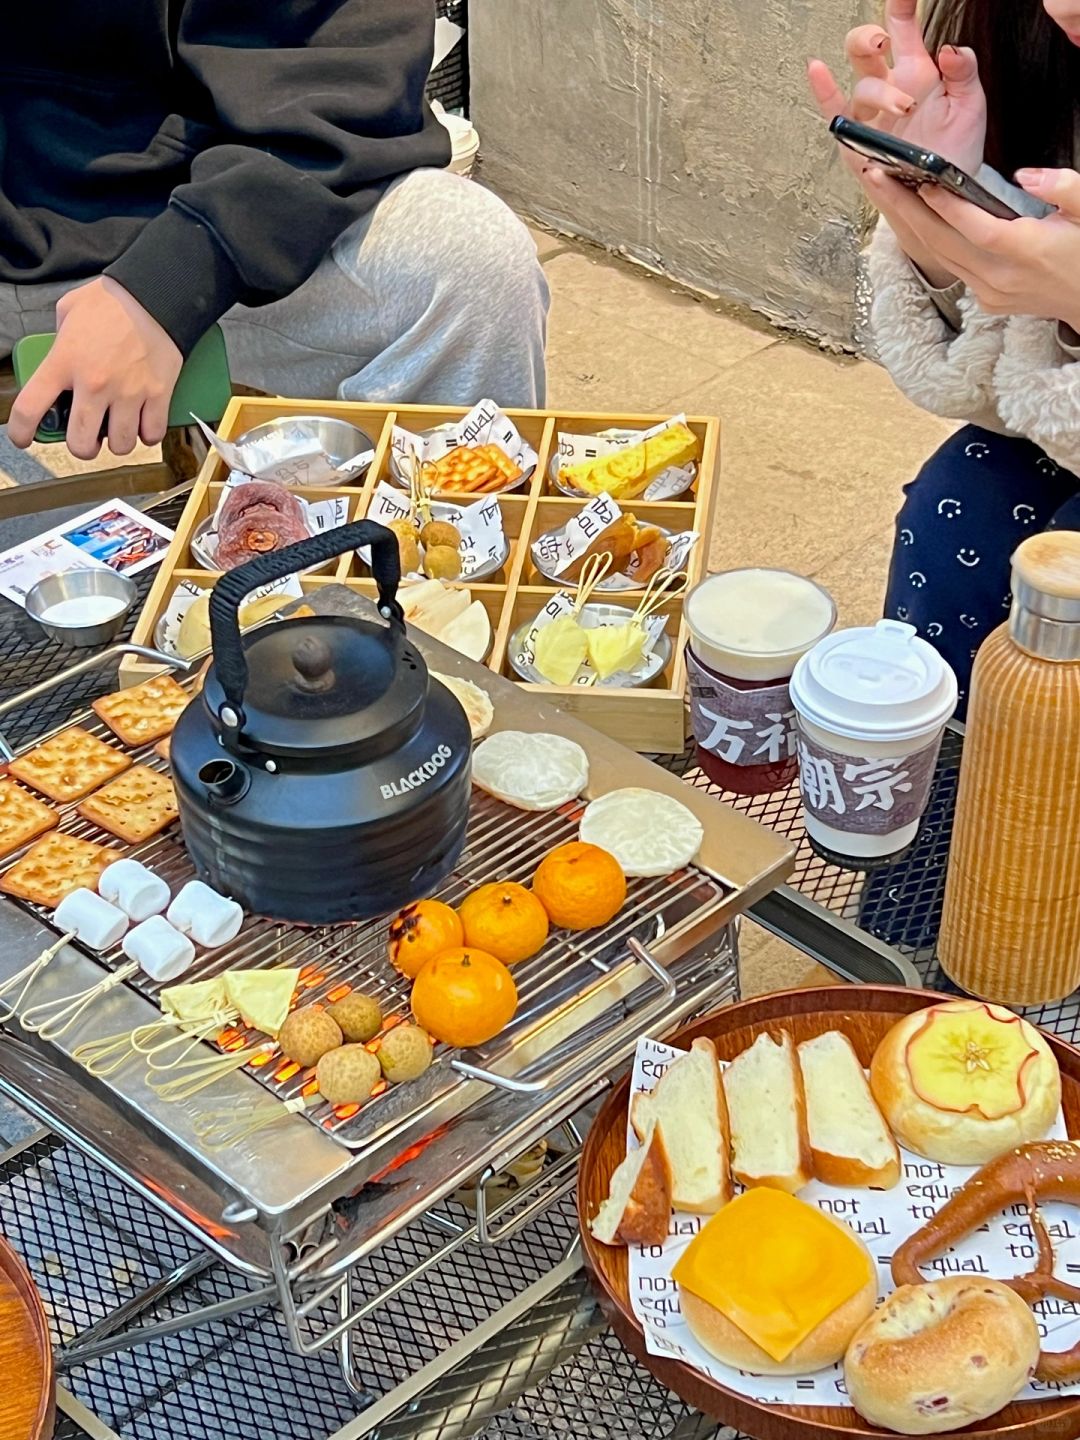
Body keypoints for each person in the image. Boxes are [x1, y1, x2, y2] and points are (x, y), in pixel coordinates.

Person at [2, 2, 549, 463]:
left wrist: (172, 280)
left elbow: (342, 66)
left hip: (198, 204)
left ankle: (431, 550)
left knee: (472, 263)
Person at [809, 0, 1080, 714]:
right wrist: (936, 226)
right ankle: (936, 774)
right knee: (954, 514)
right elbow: (1008, 400)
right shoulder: (1025, 41)